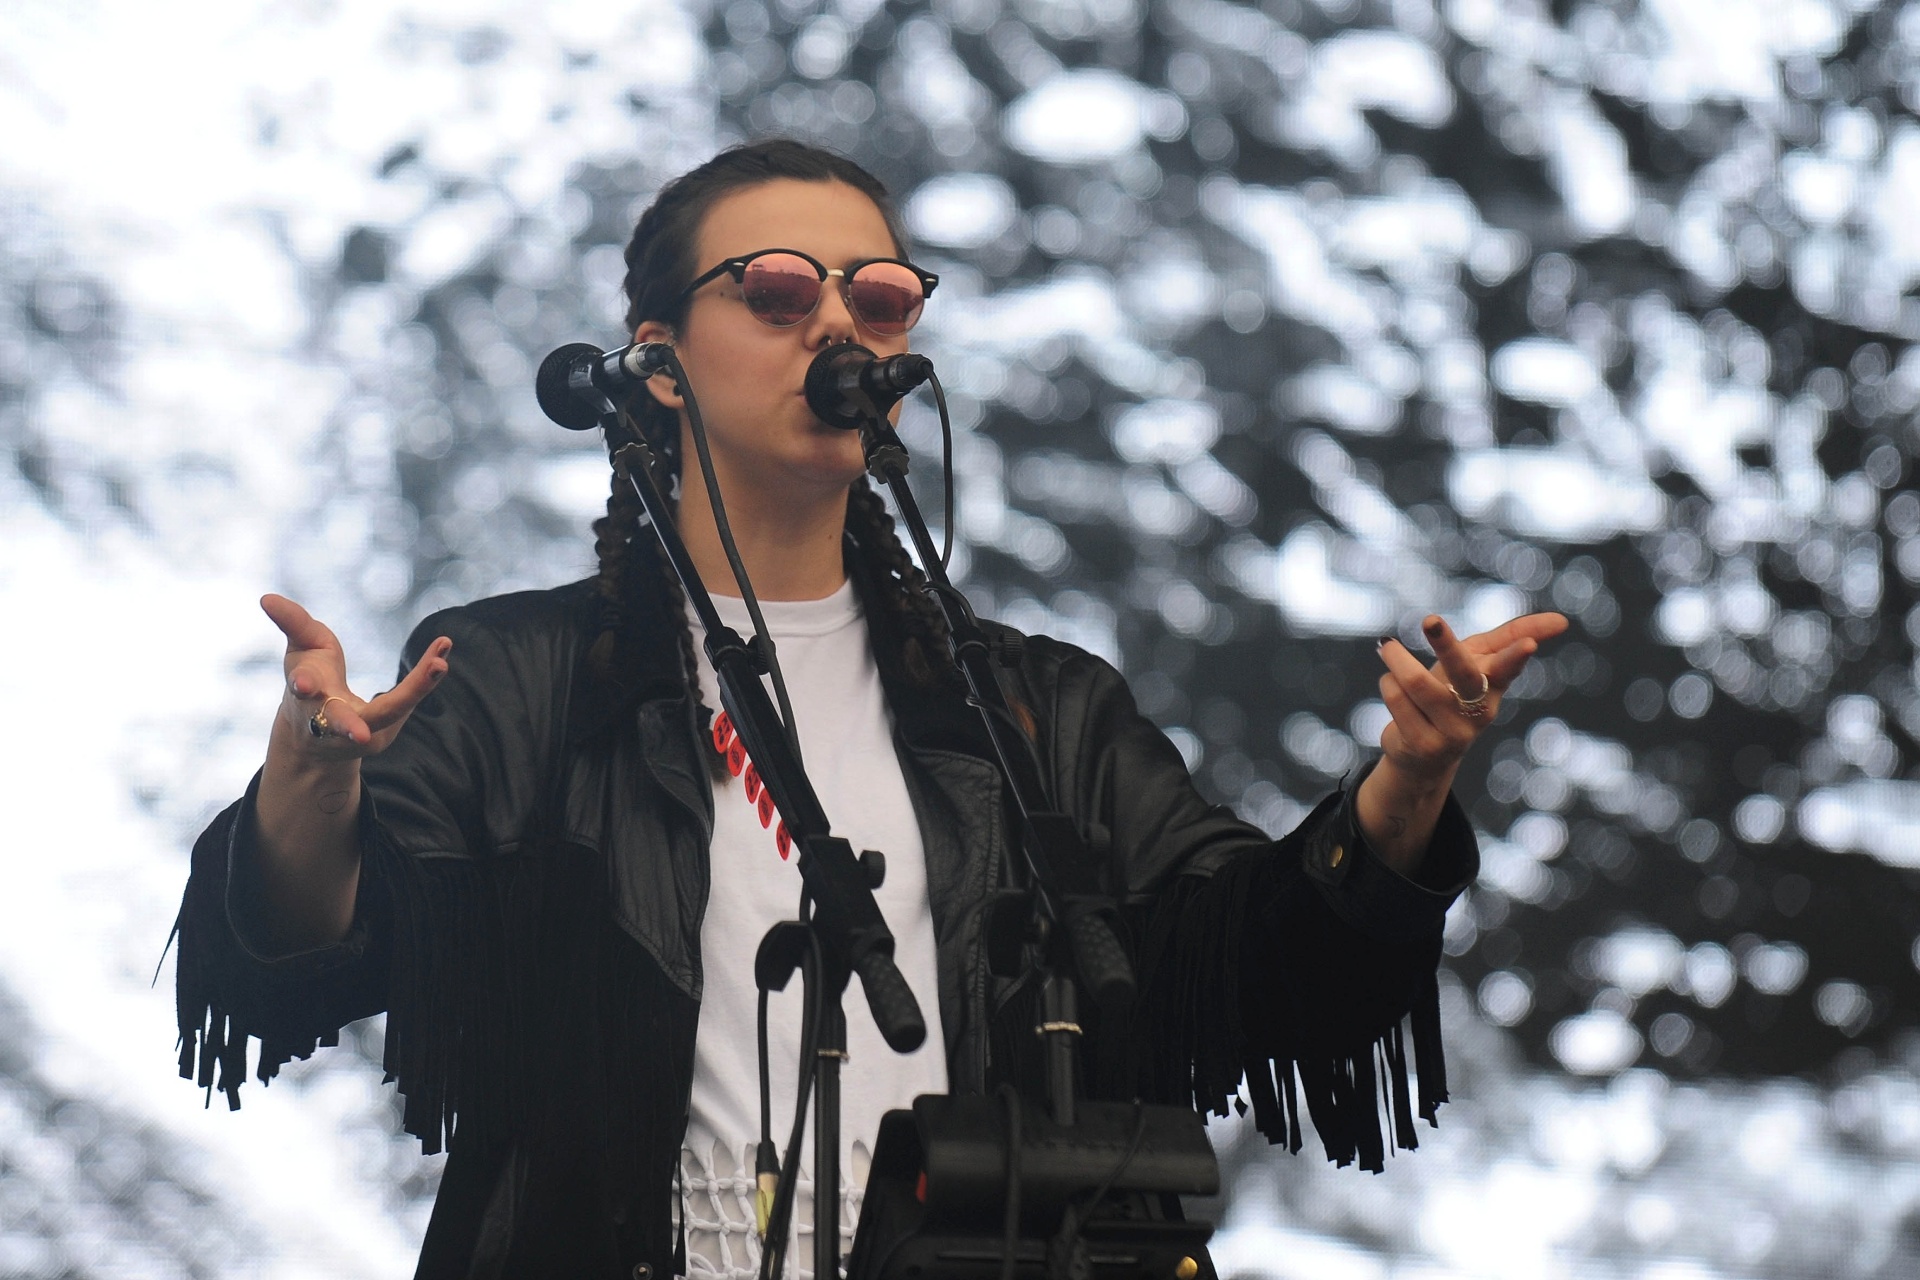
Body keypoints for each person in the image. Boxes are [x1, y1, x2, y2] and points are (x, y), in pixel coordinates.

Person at [174, 139, 1568, 1280]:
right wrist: (315, 773)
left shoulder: (1037, 710)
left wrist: (1403, 794)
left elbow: (1249, 962)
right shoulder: (526, 676)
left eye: (881, 296)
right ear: (655, 358)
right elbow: (311, 942)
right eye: (778, 291)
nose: (838, 322)